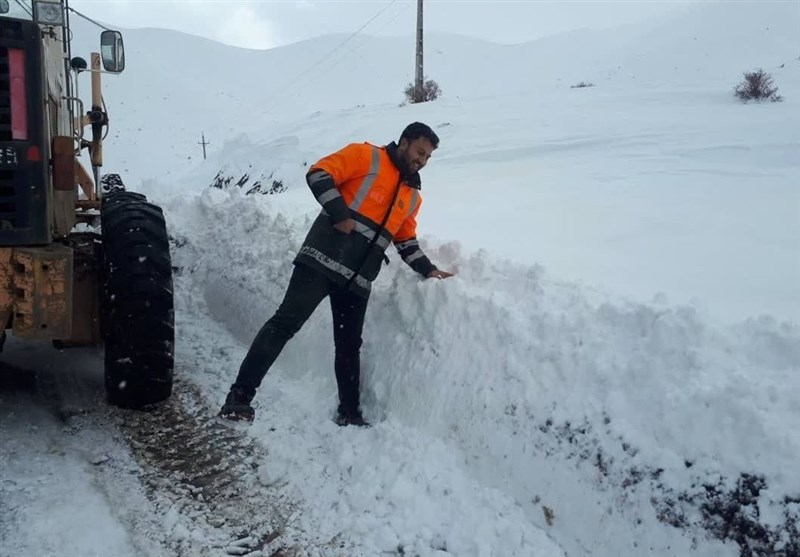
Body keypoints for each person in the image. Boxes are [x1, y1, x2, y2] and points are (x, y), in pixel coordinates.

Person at [219, 122, 454, 426]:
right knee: (285, 323)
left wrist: (430, 270)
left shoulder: (412, 197)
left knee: (348, 346)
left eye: (428, 158)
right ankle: (238, 399)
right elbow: (318, 173)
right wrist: (340, 215)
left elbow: (405, 241)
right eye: (420, 152)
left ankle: (349, 413)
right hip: (320, 260)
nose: (422, 161)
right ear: (405, 142)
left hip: (357, 279)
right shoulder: (366, 156)